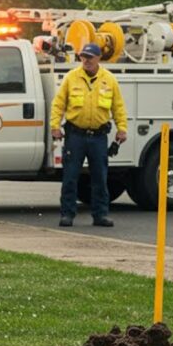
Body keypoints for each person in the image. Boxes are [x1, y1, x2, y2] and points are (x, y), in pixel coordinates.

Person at [50, 42, 127, 228]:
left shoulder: (109, 80)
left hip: (99, 136)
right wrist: (55, 126)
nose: (86, 60)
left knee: (100, 177)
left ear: (99, 58)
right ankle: (67, 214)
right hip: (75, 135)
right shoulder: (71, 78)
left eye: (90, 57)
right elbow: (58, 104)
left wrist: (122, 128)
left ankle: (100, 215)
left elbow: (118, 106)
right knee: (70, 176)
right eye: (83, 56)